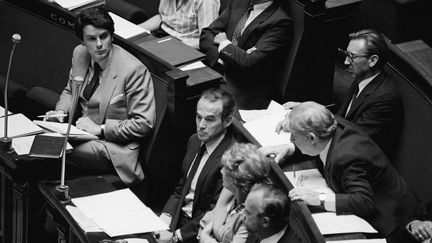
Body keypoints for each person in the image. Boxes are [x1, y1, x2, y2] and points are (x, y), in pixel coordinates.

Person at [44, 7, 156, 186]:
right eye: (91, 39)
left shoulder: (133, 70)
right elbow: (70, 91)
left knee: (58, 152)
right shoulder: (80, 54)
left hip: (113, 146)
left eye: (103, 36)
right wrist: (60, 112)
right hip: (80, 133)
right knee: (43, 147)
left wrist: (101, 128)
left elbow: (144, 123)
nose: (99, 44)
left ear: (112, 36)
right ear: (82, 41)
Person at [278, 101, 416, 242]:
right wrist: (291, 148)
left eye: (294, 137)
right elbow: (316, 145)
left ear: (312, 137)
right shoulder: (331, 124)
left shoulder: (346, 157)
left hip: (391, 219)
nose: (291, 140)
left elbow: (364, 201)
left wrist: (318, 198)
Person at [281, 29, 402, 159]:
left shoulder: (385, 97)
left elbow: (352, 139)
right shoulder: (362, 78)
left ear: (372, 60)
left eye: (352, 57)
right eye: (346, 54)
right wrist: (305, 111)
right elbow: (341, 119)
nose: (345, 62)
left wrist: (301, 126)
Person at [156, 88, 237, 243]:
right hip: (177, 220)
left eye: (210, 119)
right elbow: (181, 189)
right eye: (199, 117)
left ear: (227, 121)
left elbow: (214, 212)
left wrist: (176, 237)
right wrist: (165, 219)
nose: (201, 125)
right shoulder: (194, 141)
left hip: (198, 232)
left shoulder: (231, 158)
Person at [199, 0, 292, 110]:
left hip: (244, 89)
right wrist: (223, 58)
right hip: (216, 70)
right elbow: (206, 34)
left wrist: (224, 44)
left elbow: (249, 62)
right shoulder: (239, 2)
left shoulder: (280, 21)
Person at [197, 142, 270, 243]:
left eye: (225, 170)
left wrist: (206, 238)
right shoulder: (229, 190)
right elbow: (206, 220)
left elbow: (207, 229)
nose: (221, 171)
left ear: (237, 181)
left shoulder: (252, 215)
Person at [138, 0, 220, 49]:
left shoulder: (207, 1)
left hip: (187, 45)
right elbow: (163, 18)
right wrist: (135, 29)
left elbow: (207, 40)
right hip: (162, 36)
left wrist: (175, 46)